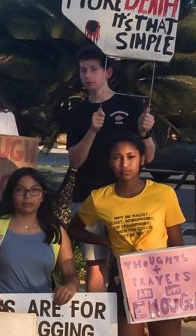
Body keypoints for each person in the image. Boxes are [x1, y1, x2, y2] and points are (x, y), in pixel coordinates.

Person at [68, 133, 187, 336]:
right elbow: (74, 228)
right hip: (127, 286)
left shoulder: (164, 194)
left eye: (131, 157)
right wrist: (105, 243)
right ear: (110, 163)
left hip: (164, 286)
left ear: (142, 159)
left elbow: (177, 244)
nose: (125, 164)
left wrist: (188, 297)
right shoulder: (100, 198)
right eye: (117, 158)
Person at [66, 48, 155, 292]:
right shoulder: (77, 113)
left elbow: (150, 156)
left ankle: (136, 318)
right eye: (83, 70)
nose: (88, 75)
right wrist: (92, 131)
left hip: (128, 197)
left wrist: (145, 133)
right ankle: (99, 324)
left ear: (107, 72)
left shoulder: (131, 105)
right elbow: (74, 161)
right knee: (96, 263)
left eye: (93, 69)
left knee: (133, 260)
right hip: (90, 195)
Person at [0, 167, 78, 304]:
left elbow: (71, 274)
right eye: (20, 190)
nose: (27, 196)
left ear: (43, 196)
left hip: (43, 315)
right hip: (1, 311)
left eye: (34, 190)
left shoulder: (55, 231)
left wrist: (70, 286)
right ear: (11, 194)